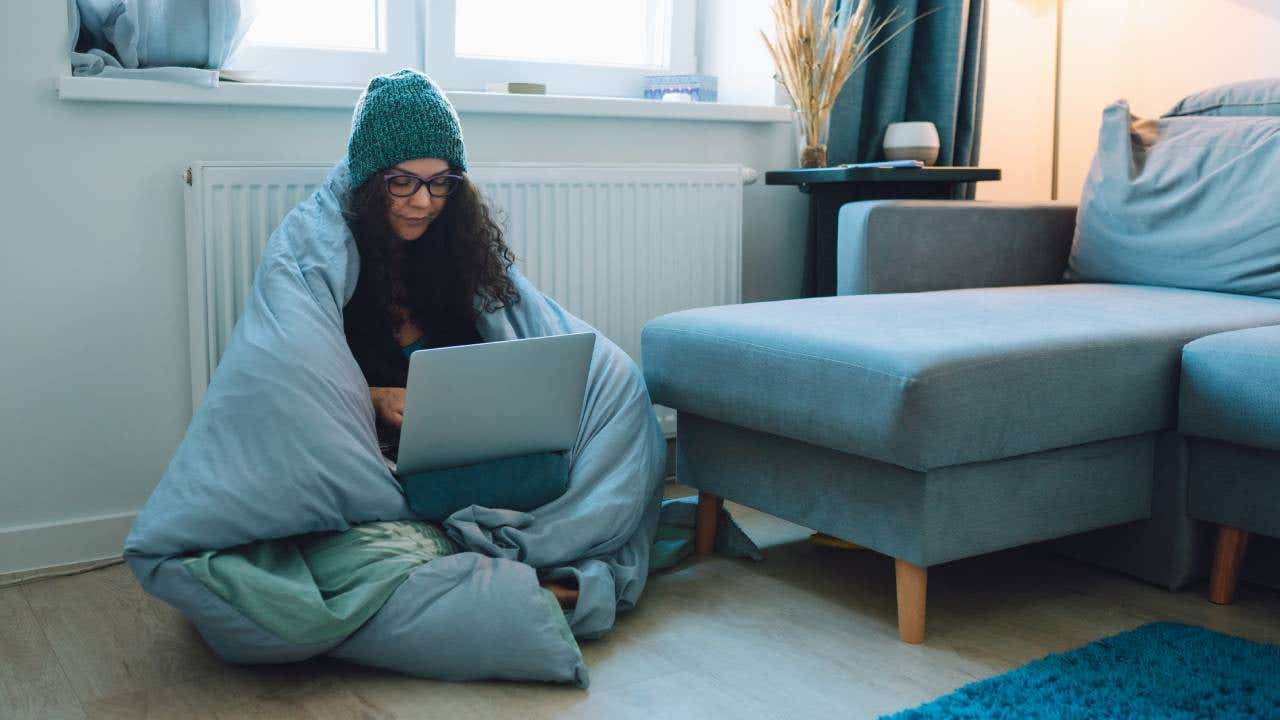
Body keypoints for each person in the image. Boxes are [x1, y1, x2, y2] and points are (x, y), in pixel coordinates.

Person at [339, 69, 578, 608]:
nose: (423, 201)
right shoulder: (342, 273)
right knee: (401, 492)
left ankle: (480, 571)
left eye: (440, 182)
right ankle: (513, 580)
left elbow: (493, 361)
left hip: (461, 456)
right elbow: (304, 379)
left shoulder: (457, 262)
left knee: (551, 470)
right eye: (402, 182)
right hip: (382, 459)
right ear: (371, 182)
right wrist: (372, 398)